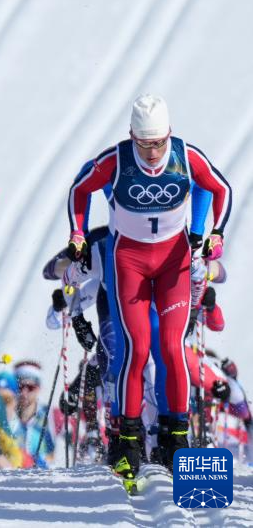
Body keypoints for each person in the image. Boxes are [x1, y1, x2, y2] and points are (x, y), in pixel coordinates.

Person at [66, 94, 231, 483]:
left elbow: (220, 188)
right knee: (136, 349)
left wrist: (214, 233)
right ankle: (127, 442)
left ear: (168, 134)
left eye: (158, 143)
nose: (153, 152)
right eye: (144, 144)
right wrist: (77, 233)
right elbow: (79, 190)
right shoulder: (116, 160)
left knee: (172, 348)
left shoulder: (185, 156)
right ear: (132, 136)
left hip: (174, 262)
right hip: (130, 263)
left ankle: (176, 439)